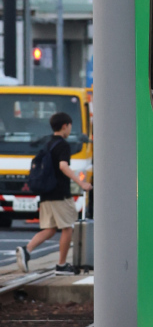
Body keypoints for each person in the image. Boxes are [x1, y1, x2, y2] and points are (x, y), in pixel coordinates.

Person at [16, 112, 92, 275]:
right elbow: (63, 166)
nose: (70, 129)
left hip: (46, 194)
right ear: (65, 126)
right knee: (68, 228)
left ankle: (26, 250)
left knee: (50, 229)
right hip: (60, 194)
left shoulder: (48, 143)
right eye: (70, 126)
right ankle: (62, 265)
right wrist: (81, 183)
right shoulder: (63, 145)